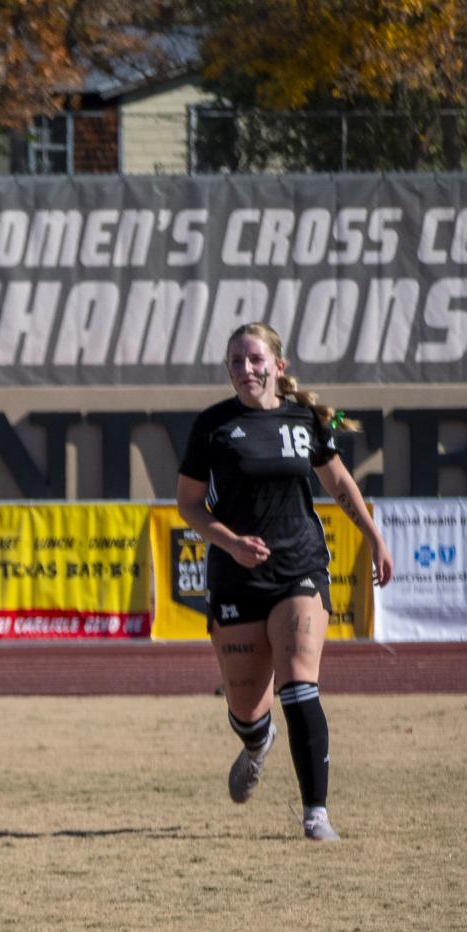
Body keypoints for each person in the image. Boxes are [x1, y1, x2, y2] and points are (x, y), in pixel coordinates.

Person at [175, 322, 392, 842]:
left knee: (299, 683)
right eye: (235, 362)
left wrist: (373, 537)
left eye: (254, 360)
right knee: (247, 708)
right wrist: (229, 542)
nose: (245, 370)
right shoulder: (212, 426)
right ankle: (256, 743)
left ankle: (316, 813)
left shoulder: (306, 419)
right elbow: (188, 504)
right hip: (236, 578)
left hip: (300, 568)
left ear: (278, 365)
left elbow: (338, 482)